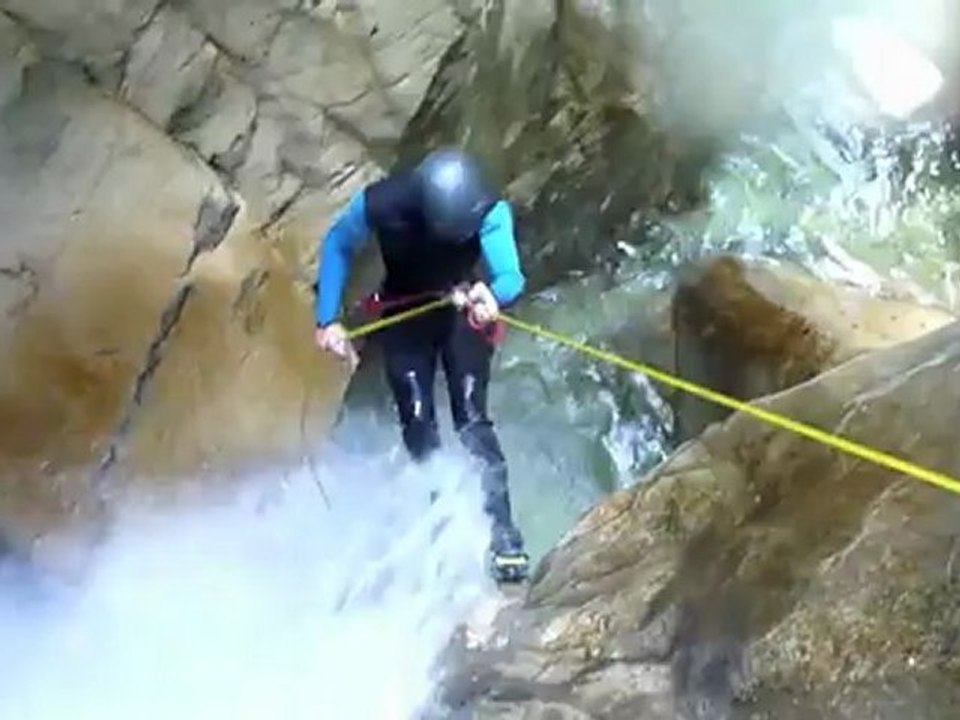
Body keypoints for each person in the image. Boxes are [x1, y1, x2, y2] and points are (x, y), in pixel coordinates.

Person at [312, 147, 530, 583]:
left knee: (471, 417)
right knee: (417, 422)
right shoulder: (384, 202)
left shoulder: (487, 207)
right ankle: (442, 527)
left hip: (458, 311)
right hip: (404, 314)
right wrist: (327, 317)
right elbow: (338, 242)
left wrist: (493, 294)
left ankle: (503, 535)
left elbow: (510, 274)